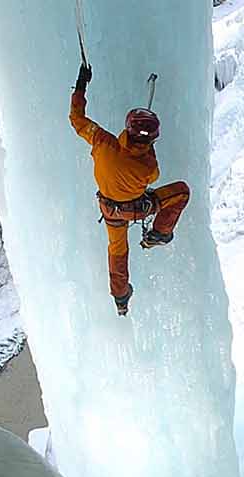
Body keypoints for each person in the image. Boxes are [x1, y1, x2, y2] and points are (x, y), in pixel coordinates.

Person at [70, 62, 189, 316]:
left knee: (117, 250)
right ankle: (159, 233)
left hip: (110, 210)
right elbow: (153, 174)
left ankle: (120, 297)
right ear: (151, 140)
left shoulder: (102, 142)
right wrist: (148, 145)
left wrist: (82, 83)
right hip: (137, 209)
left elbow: (76, 119)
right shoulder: (147, 166)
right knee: (181, 192)